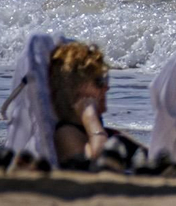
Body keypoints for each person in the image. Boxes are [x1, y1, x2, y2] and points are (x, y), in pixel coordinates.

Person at [48, 41, 141, 170]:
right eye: (99, 81)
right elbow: (99, 163)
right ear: (72, 89)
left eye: (106, 80)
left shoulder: (102, 131)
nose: (106, 87)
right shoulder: (66, 133)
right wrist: (90, 116)